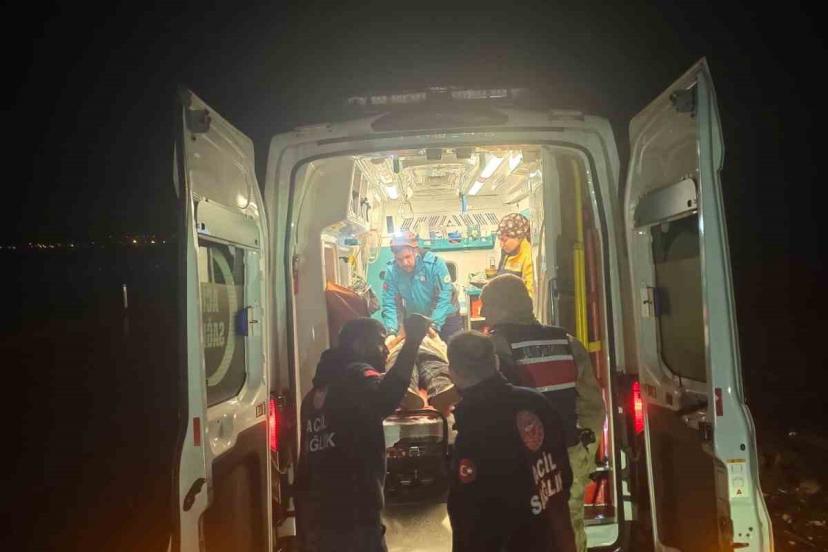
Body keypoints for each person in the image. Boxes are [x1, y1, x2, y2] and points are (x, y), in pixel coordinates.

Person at [481, 274, 606, 552]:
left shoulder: (493, 348)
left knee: (523, 530)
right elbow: (593, 407)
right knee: (569, 526)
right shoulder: (568, 343)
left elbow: (488, 412)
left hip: (520, 461)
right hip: (568, 454)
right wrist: (584, 451)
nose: (483, 312)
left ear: (503, 307)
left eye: (487, 304)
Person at [293, 314, 431, 552]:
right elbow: (387, 396)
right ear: (359, 345)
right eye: (379, 342)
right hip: (354, 514)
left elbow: (305, 463)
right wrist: (413, 341)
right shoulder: (357, 376)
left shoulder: (313, 396)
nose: (385, 350)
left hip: (317, 516)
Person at [446, 331, 576, 552]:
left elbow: (469, 516)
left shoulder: (474, 425)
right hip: (550, 539)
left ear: (453, 374)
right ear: (496, 362)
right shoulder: (537, 402)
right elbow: (563, 476)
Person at [381, 231, 463, 342]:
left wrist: (434, 325)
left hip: (446, 317)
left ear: (415, 251)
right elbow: (390, 303)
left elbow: (444, 296)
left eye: (407, 257)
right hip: (418, 318)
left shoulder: (435, 264)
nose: (404, 263)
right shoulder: (392, 271)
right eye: (399, 259)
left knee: (451, 349)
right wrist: (391, 331)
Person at [384, 326, 460, 416]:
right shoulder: (393, 337)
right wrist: (402, 337)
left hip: (429, 350)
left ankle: (441, 388)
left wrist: (432, 334)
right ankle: (406, 391)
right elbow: (385, 351)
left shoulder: (433, 338)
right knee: (403, 364)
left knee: (435, 367)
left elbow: (444, 350)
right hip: (402, 350)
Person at [496, 213, 535, 298]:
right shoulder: (507, 254)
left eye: (504, 240)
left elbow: (530, 295)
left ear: (519, 236)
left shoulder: (530, 257)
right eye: (500, 240)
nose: (501, 245)